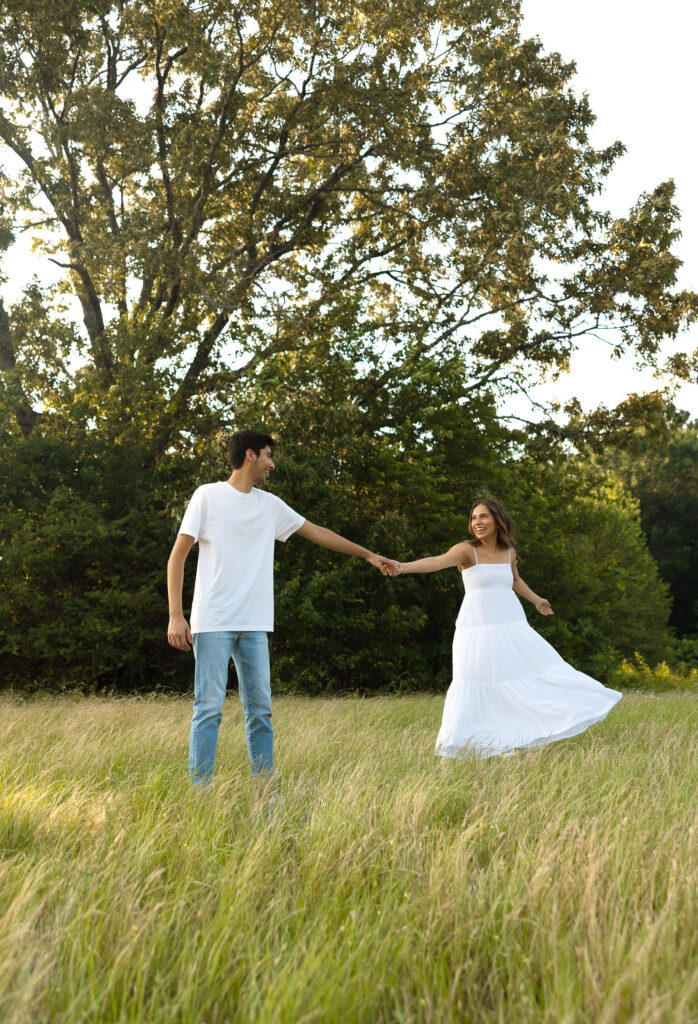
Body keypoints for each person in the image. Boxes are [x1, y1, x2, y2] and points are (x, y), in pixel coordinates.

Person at [167, 429, 395, 785]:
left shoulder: (269, 505)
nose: (272, 464)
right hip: (212, 622)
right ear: (250, 456)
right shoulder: (207, 496)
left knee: (260, 712)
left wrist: (367, 554)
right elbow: (178, 556)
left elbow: (318, 532)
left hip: (255, 624)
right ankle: (201, 793)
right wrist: (176, 615)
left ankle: (265, 791)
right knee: (208, 710)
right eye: (268, 456)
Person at [388, 498, 621, 758]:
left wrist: (536, 599)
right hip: (475, 629)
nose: (478, 522)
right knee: (470, 682)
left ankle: (503, 741)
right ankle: (449, 750)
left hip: (510, 626)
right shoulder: (467, 550)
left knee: (521, 678)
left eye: (483, 517)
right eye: (474, 518)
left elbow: (515, 580)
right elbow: (436, 561)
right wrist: (402, 567)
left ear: (497, 520)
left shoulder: (508, 551)